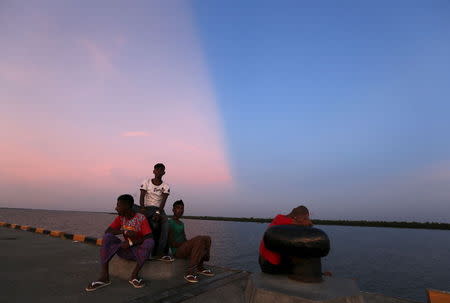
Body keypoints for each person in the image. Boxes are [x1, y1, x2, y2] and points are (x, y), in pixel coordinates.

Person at [86, 194, 154, 291]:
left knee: (150, 242)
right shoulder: (120, 218)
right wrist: (124, 231)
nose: (116, 208)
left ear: (126, 206)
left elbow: (149, 237)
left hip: (139, 253)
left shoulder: (141, 218)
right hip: (125, 251)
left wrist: (131, 242)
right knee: (107, 237)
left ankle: (134, 276)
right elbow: (108, 231)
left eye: (118, 205)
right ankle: (105, 277)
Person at [168, 200, 214, 283]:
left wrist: (190, 244)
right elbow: (172, 243)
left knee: (207, 238)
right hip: (177, 251)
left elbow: (184, 238)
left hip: (183, 248)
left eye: (182, 208)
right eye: (178, 208)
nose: (180, 210)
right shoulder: (170, 223)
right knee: (199, 239)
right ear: (173, 210)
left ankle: (200, 267)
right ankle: (189, 273)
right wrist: (188, 243)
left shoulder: (181, 223)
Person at [259, 205, 313, 274]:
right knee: (300, 265)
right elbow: (307, 224)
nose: (307, 220)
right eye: (305, 218)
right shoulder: (283, 221)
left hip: (264, 262)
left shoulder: (280, 220)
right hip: (269, 266)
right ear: (297, 217)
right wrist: (305, 223)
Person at [139, 163, 173, 261]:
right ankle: (144, 249)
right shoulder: (147, 182)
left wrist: (158, 213)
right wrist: (142, 209)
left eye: (161, 170)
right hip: (147, 208)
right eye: (157, 170)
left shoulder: (165, 186)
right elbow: (141, 196)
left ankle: (160, 253)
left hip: (159, 209)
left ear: (164, 173)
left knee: (166, 224)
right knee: (131, 207)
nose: (158, 172)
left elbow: (163, 201)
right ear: (153, 171)